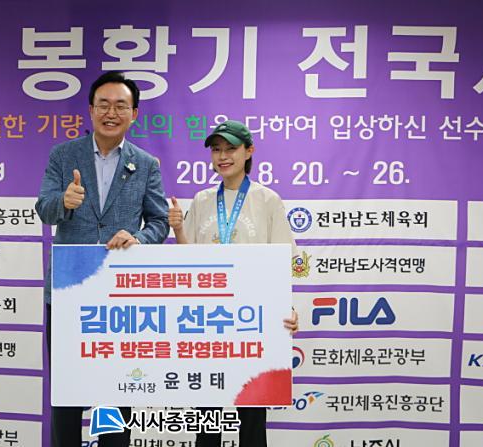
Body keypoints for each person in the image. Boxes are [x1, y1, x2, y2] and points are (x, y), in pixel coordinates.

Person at [35, 71, 169, 447]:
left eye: (121, 106)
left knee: (115, 392)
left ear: (134, 113)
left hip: (119, 297)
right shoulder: (63, 155)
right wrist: (63, 202)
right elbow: (44, 208)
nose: (111, 113)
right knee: (67, 395)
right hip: (68, 291)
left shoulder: (146, 164)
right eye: (104, 105)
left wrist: (138, 238)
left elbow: (159, 222)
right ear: (91, 110)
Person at [168, 120, 299, 447]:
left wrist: (289, 308)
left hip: (253, 319)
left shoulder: (267, 199)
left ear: (249, 151)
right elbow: (187, 262)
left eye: (231, 149)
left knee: (252, 415)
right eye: (216, 150)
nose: (223, 156)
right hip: (209, 318)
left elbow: (282, 260)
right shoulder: (201, 200)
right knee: (206, 415)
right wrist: (179, 230)